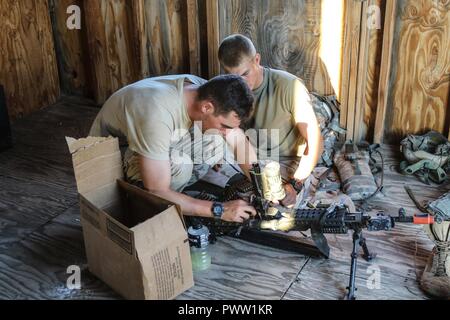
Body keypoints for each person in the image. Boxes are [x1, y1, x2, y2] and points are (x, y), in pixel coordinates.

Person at [89, 74, 257, 223]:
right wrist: (219, 210)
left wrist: (263, 185)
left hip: (153, 139)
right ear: (206, 107)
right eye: (224, 125)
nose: (227, 131)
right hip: (113, 156)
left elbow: (238, 140)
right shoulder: (156, 113)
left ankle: (180, 196)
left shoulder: (208, 92)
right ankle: (152, 208)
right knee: (180, 166)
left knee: (219, 141)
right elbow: (157, 189)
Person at [214, 34, 324, 206]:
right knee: (205, 186)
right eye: (232, 76)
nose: (239, 82)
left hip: (283, 161)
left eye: (245, 74)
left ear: (257, 59)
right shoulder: (226, 88)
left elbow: (315, 141)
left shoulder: (290, 87)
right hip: (243, 158)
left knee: (272, 209)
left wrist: (295, 184)